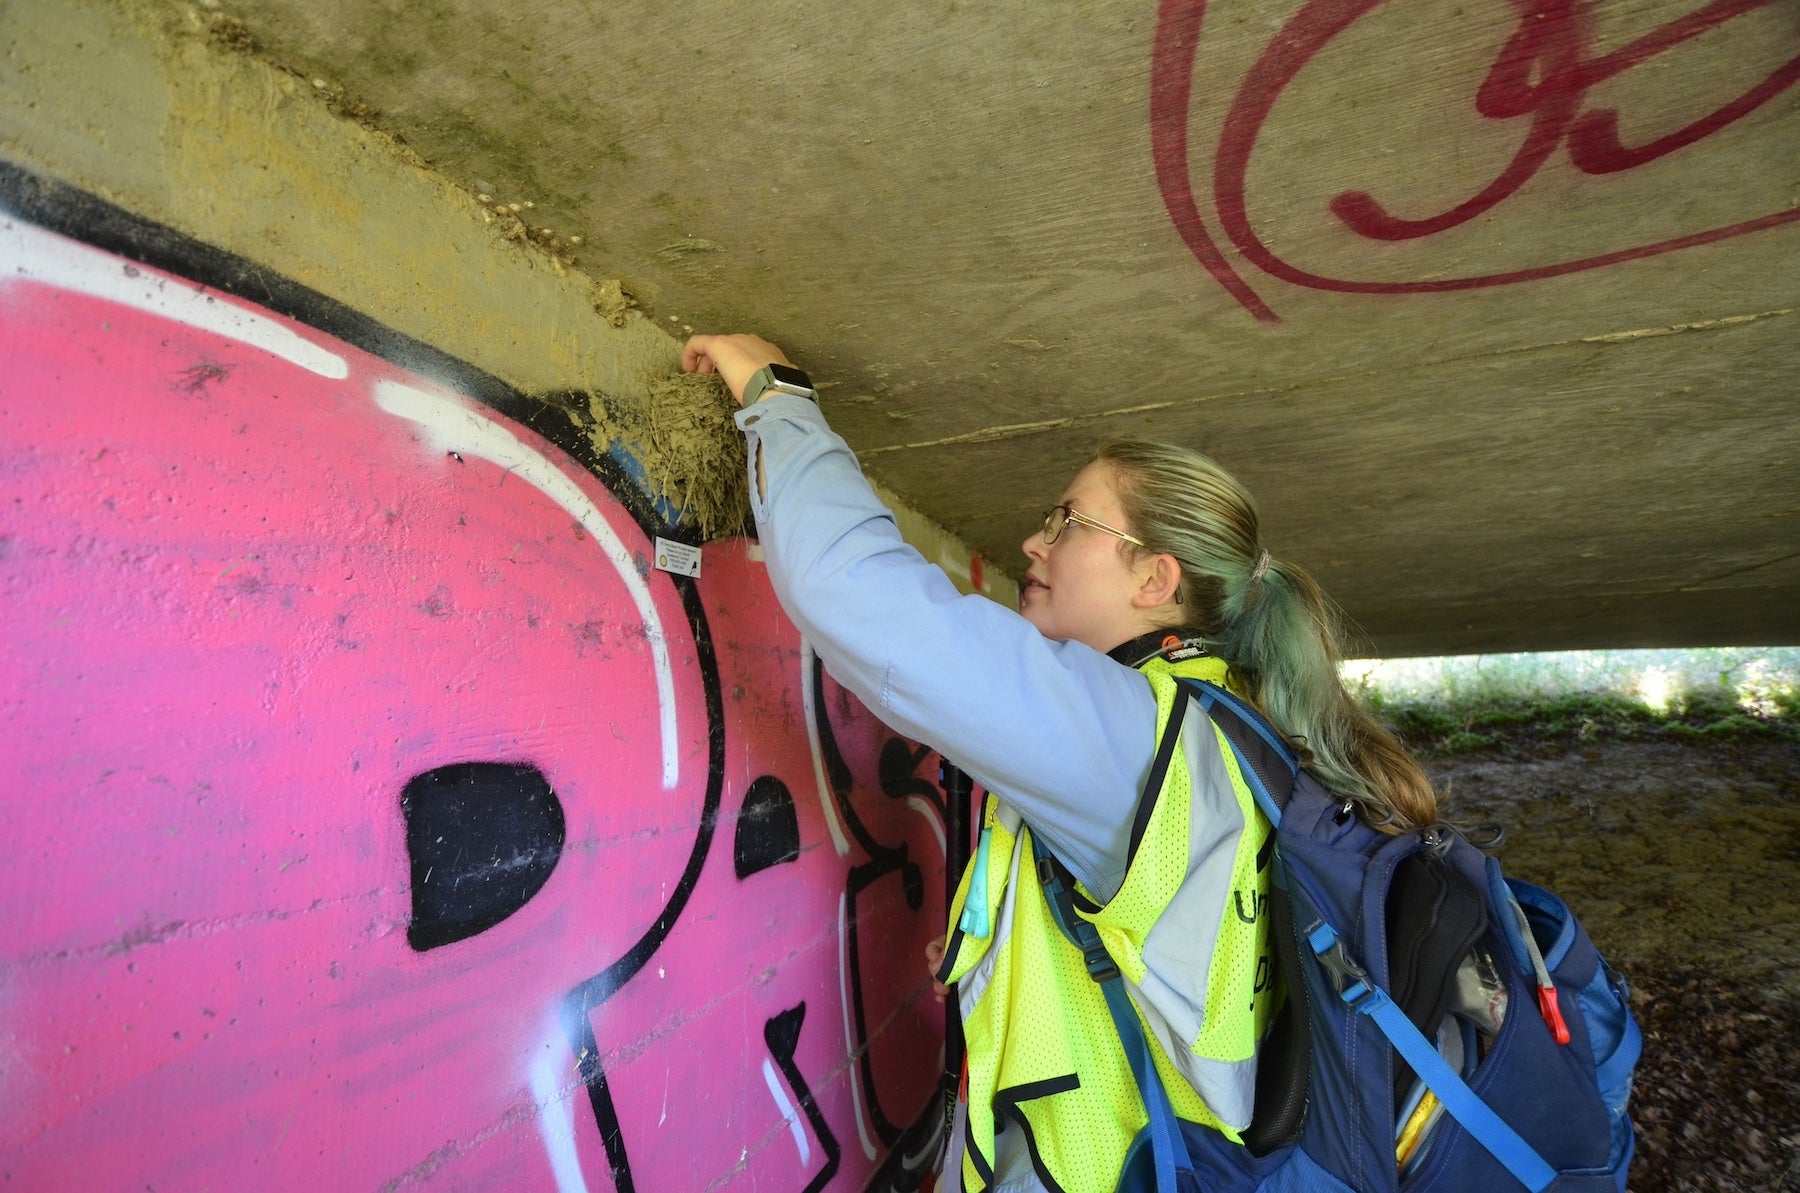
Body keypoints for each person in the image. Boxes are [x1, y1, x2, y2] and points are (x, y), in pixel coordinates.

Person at [682, 333, 1438, 1193]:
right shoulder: (1228, 730)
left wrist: (780, 403)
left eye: (1067, 522)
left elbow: (865, 602)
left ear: (1155, 579)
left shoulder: (1131, 731)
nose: (1034, 544)